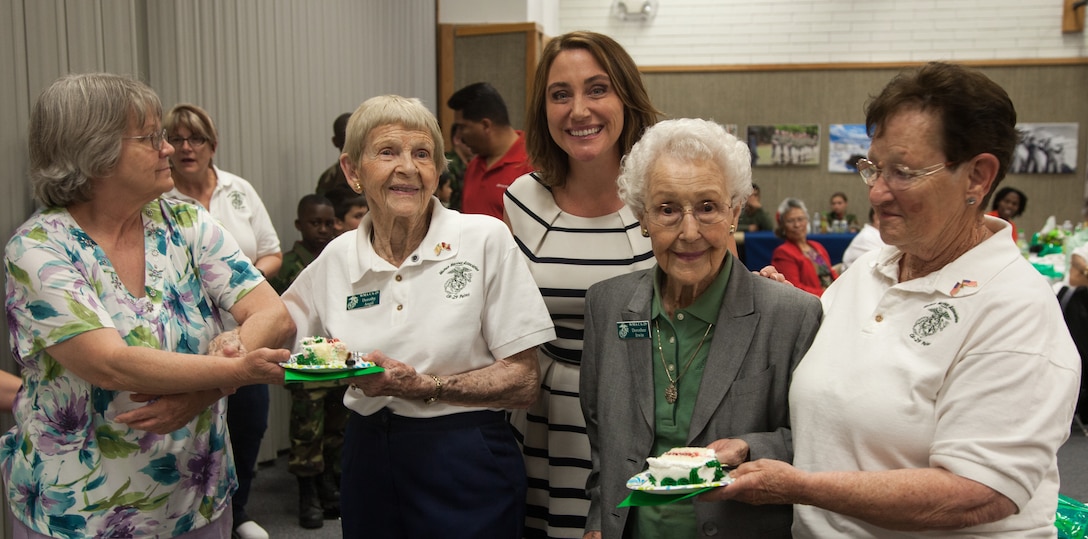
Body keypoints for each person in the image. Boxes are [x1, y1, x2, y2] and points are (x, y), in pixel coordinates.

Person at [708, 62, 1081, 538]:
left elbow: (977, 493)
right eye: (873, 168)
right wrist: (790, 306)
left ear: (977, 176)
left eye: (903, 172)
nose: (878, 192)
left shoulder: (1015, 309)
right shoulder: (872, 268)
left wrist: (803, 487)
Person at [2, 73, 294, 538]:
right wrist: (239, 371)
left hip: (195, 497)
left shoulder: (185, 221)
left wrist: (204, 393)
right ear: (93, 151)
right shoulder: (39, 249)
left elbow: (272, 313)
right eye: (151, 137)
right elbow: (113, 365)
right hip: (80, 512)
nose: (168, 149)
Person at [280, 94, 556, 538]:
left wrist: (427, 386)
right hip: (367, 450)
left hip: (464, 451)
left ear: (438, 169)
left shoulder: (484, 239)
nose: (407, 167)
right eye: (387, 152)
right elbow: (277, 332)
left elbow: (524, 382)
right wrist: (229, 349)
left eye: (422, 153)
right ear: (352, 171)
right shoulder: (338, 256)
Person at [581, 118, 823, 539]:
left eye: (707, 207)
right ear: (642, 217)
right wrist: (599, 522)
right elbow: (604, 438)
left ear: (735, 211)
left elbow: (818, 443)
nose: (688, 232)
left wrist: (751, 448)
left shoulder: (791, 316)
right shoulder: (607, 307)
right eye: (668, 209)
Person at [504, 30, 662, 539]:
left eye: (597, 89)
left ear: (625, 97)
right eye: (560, 94)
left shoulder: (664, 194)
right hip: (544, 417)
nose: (579, 109)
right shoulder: (521, 201)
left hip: (644, 412)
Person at [164, 103, 283, 539]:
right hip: (190, 338)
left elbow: (271, 251)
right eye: (175, 139)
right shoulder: (159, 199)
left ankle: (240, 508)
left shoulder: (238, 190)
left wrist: (242, 282)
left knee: (249, 423)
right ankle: (190, 514)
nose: (185, 147)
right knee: (193, 426)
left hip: (245, 329)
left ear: (212, 146)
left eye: (195, 139)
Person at [268, 194, 344, 529]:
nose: (324, 229)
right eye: (316, 223)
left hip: (339, 360)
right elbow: (275, 315)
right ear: (300, 225)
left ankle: (329, 485)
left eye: (330, 223)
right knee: (306, 432)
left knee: (336, 429)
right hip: (305, 363)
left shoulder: (340, 260)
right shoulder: (287, 265)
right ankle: (307, 493)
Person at [447, 82, 533, 219]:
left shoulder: (533, 164)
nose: (460, 136)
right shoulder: (474, 166)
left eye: (463, 127)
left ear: (485, 125)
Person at [772, 198, 838, 296]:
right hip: (814, 303)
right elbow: (794, 288)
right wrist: (828, 294)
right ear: (783, 226)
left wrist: (841, 289)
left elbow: (830, 274)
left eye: (800, 219)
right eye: (790, 221)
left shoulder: (816, 246)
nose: (797, 225)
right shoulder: (783, 252)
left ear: (807, 221)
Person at [316, 112, 352, 195]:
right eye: (345, 137)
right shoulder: (329, 178)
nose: (351, 142)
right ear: (335, 141)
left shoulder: (378, 169)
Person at [443, 123, 474, 210]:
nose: (472, 143)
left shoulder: (473, 165)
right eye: (467, 139)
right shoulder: (448, 163)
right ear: (457, 139)